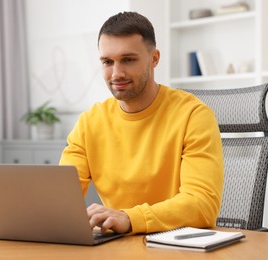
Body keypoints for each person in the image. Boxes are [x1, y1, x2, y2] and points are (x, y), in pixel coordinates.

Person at [59, 11, 224, 234]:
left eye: (128, 60)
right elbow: (61, 197)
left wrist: (130, 218)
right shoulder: (90, 122)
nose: (116, 73)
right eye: (108, 62)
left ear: (154, 58)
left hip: (176, 246)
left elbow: (202, 206)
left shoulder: (193, 115)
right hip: (118, 245)